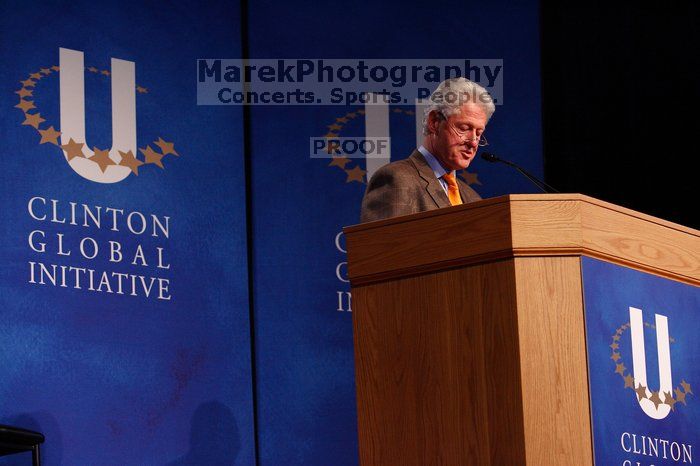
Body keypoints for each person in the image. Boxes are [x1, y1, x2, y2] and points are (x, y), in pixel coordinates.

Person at [360, 78, 495, 223]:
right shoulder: (397, 179)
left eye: (479, 133)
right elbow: (383, 245)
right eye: (464, 128)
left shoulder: (472, 197)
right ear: (434, 122)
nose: (473, 142)